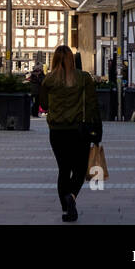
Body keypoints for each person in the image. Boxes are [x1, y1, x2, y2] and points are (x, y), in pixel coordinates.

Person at [36, 44, 100, 223]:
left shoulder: (48, 80)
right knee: (79, 169)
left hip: (57, 132)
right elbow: (92, 104)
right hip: (79, 131)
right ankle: (71, 197)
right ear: (72, 59)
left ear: (54, 60)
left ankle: (66, 210)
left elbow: (44, 105)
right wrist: (97, 130)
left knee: (63, 170)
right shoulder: (83, 78)